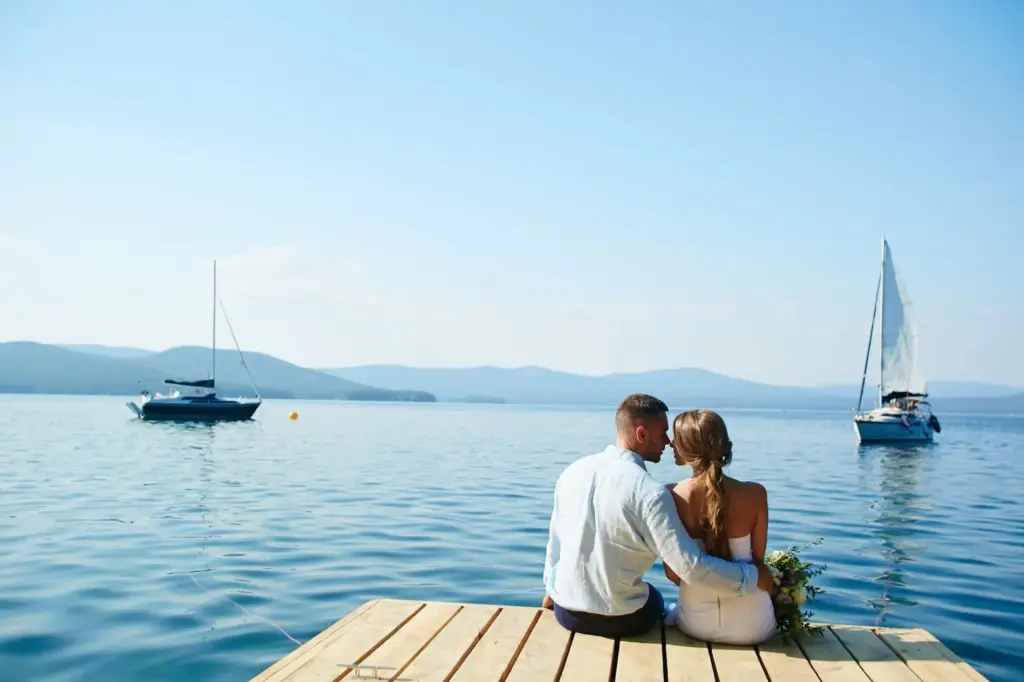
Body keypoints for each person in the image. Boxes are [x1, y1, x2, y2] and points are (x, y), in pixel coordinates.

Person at [541, 394, 774, 638]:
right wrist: (754, 576)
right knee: (654, 598)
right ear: (641, 434)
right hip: (621, 621)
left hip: (566, 613)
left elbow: (555, 543)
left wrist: (550, 588)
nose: (668, 442)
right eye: (663, 433)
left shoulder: (572, 472)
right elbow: (690, 567)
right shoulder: (649, 492)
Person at [664, 409, 776, 644]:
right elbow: (758, 564)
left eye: (676, 438)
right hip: (754, 627)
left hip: (696, 624)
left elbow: (673, 573)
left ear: (688, 446)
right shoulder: (755, 493)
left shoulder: (671, 495)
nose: (670, 443)